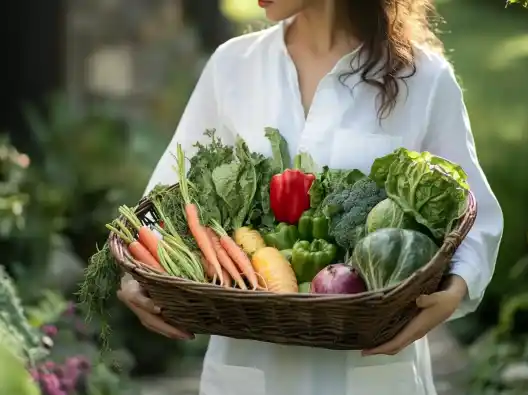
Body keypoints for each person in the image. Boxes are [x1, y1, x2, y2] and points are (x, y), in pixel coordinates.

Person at [117, 0, 504, 394]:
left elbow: (473, 214)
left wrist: (456, 289)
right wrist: (138, 273)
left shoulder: (422, 77)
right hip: (250, 369)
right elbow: (165, 199)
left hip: (371, 371)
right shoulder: (234, 66)